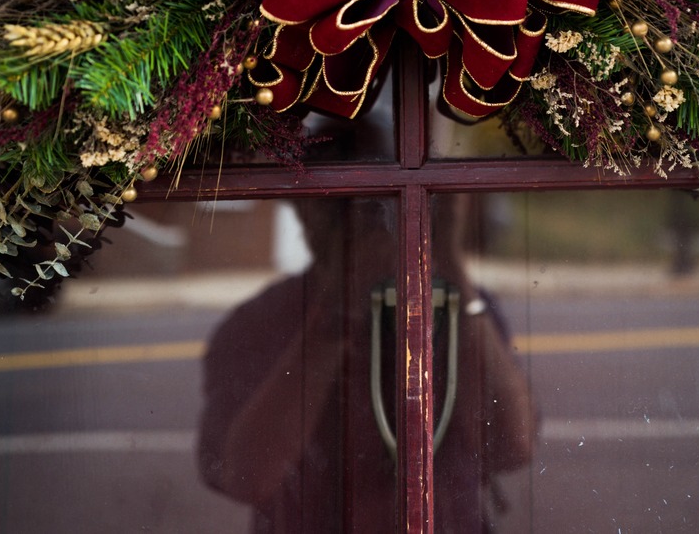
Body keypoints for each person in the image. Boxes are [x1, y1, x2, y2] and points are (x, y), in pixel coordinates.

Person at [198, 197, 535, 532]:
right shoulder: (259, 322)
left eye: (385, 208)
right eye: (342, 208)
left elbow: (512, 446)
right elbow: (246, 477)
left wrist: (448, 260)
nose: (374, 226)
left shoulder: (458, 304)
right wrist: (336, 306)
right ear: (304, 212)